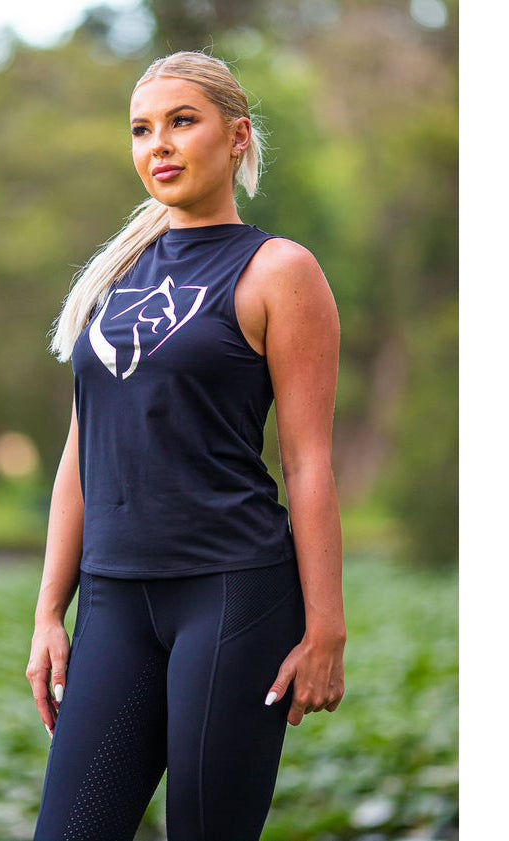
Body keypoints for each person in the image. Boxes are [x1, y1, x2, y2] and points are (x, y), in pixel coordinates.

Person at [26, 49, 345, 841]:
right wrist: (47, 610)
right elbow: (81, 453)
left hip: (232, 591)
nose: (158, 145)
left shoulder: (278, 271)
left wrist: (326, 625)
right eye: (141, 129)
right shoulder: (112, 277)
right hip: (112, 599)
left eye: (181, 122)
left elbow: (306, 460)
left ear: (236, 139)